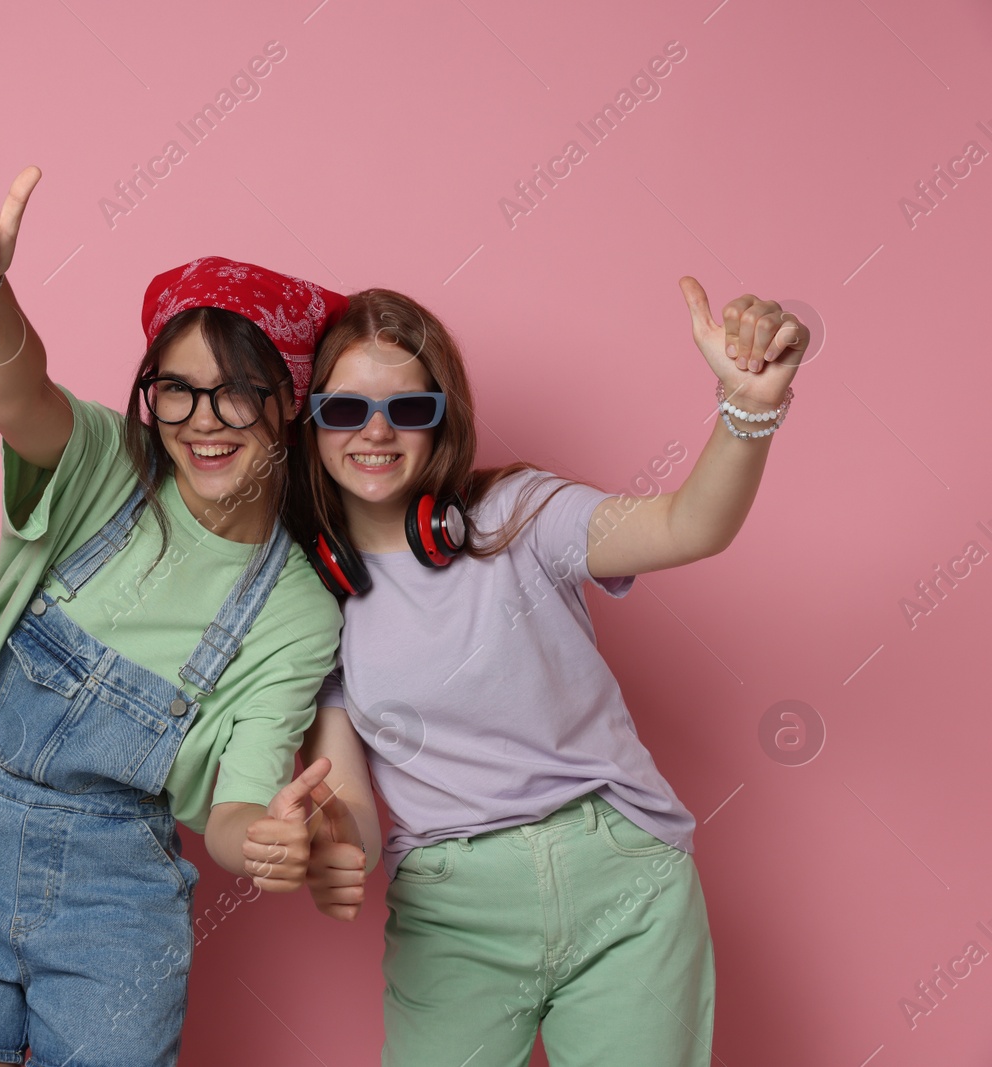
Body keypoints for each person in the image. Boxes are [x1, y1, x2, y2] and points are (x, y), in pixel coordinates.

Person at [0, 165, 349, 1067]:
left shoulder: (294, 610)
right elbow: (20, 393)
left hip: (114, 900)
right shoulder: (102, 465)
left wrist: (271, 843)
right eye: (176, 387)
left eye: (238, 390)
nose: (203, 420)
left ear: (289, 404)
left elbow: (238, 806)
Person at [295, 282, 806, 1065]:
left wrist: (748, 412)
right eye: (343, 409)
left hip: (623, 881)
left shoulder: (519, 515)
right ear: (312, 421)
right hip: (450, 911)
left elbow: (686, 525)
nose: (375, 431)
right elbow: (352, 804)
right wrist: (334, 844)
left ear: (442, 418)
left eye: (407, 409)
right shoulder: (313, 597)